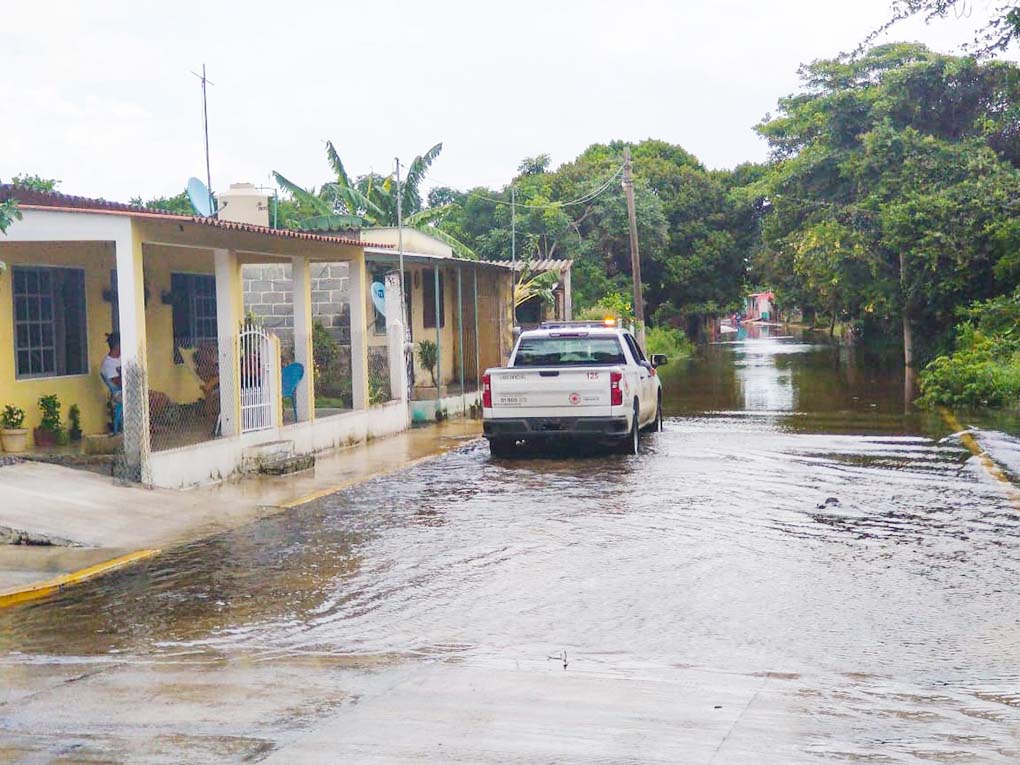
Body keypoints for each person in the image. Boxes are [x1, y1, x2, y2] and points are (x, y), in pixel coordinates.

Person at [100, 333, 123, 433]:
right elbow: (119, 383)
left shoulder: (122, 357)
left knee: (160, 397)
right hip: (119, 393)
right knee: (152, 398)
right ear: (117, 346)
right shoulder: (108, 364)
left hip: (130, 390)